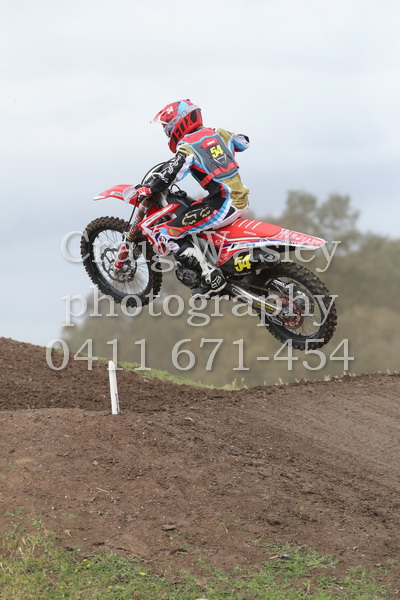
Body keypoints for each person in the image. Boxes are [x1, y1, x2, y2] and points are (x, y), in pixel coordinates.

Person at [131, 99, 250, 296]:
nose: (167, 133)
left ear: (178, 123)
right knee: (193, 210)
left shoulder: (187, 147)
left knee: (168, 232)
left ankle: (210, 274)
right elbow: (243, 142)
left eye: (167, 128)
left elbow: (171, 175)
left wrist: (149, 189)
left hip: (222, 204)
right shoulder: (219, 132)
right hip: (241, 198)